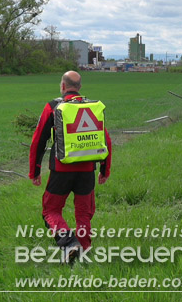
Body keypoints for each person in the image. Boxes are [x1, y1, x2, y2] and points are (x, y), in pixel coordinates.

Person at [29, 71, 112, 263]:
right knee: (84, 213)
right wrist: (104, 170)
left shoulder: (53, 106)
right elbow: (105, 140)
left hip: (61, 170)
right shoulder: (92, 108)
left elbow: (38, 140)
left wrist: (35, 171)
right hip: (87, 171)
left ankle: (68, 243)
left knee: (50, 210)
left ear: (63, 86)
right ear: (80, 87)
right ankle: (84, 250)